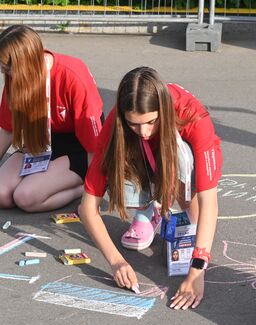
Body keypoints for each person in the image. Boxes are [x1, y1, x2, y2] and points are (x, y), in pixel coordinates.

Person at [79, 67, 222, 310]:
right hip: (142, 158)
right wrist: (116, 263)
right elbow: (87, 207)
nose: (143, 132)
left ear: (163, 111)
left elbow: (210, 201)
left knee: (196, 216)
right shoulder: (117, 124)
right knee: (118, 154)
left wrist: (198, 269)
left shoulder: (193, 116)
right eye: (133, 123)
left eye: (150, 122)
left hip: (176, 150)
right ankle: (147, 210)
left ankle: (169, 198)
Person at [0, 25, 103, 212]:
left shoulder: (72, 75)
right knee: (0, 195)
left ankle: (78, 188)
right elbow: (8, 128)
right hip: (43, 140)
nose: (3, 72)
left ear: (25, 64)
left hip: (78, 146)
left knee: (26, 197)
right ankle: (47, 178)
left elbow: (94, 145)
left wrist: (91, 197)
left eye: (7, 68)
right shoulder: (16, 78)